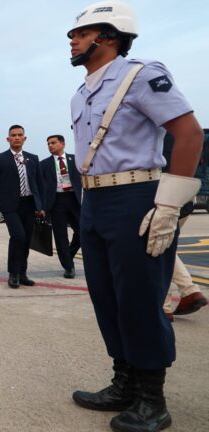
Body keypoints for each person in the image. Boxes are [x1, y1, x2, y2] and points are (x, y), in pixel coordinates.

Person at [67, 3, 203, 431]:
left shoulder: (140, 74)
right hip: (95, 200)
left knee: (140, 298)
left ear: (106, 36)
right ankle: (123, 381)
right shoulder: (82, 91)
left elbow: (188, 133)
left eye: (80, 33)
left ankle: (152, 399)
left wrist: (169, 203)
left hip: (136, 196)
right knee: (106, 296)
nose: (72, 40)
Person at [0, 125, 44, 288]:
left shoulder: (33, 158)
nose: (17, 137)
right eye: (13, 135)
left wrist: (42, 206)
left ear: (24, 138)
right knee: (18, 236)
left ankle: (23, 272)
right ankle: (13, 273)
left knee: (26, 240)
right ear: (8, 139)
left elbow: (39, 183)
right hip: (10, 205)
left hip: (29, 203)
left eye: (20, 135)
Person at [40, 135, 82, 279]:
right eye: (48, 144)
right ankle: (68, 267)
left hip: (75, 200)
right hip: (56, 202)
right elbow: (40, 187)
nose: (50, 145)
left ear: (62, 144)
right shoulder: (44, 164)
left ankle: (68, 254)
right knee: (60, 236)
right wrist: (42, 207)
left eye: (53, 143)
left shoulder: (75, 159)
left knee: (83, 231)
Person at [163, 215, 207, 321]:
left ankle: (164, 306)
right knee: (165, 246)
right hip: (184, 206)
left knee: (160, 247)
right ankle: (189, 290)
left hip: (162, 206)